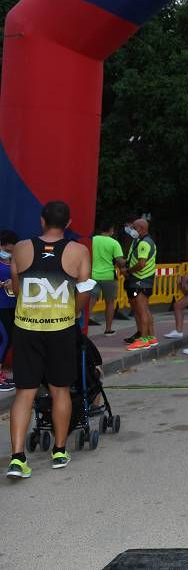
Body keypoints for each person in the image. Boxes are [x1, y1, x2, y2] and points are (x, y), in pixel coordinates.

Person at [6, 201, 92, 479]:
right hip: (61, 329)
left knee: (25, 392)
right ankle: (59, 450)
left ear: (42, 220)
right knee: (60, 390)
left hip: (27, 328)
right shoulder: (79, 251)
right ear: (68, 223)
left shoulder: (20, 248)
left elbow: (17, 287)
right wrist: (72, 311)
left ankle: (18, 458)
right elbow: (84, 291)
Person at [123, 218, 158, 351]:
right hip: (142, 280)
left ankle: (143, 339)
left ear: (141, 229)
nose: (132, 230)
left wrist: (129, 270)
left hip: (140, 280)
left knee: (141, 310)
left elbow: (141, 263)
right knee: (144, 309)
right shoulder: (141, 241)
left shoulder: (144, 243)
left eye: (134, 228)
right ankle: (150, 337)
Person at [88, 223, 126, 336]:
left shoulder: (92, 240)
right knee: (109, 304)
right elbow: (119, 261)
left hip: (93, 276)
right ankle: (108, 329)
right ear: (110, 230)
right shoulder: (114, 243)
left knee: (90, 302)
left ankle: (82, 328)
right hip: (109, 277)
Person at [0, 229, 19, 392]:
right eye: (6, 250)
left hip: (12, 306)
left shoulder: (15, 262)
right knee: (3, 338)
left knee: (11, 339)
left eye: (11, 251)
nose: (8, 254)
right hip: (0, 306)